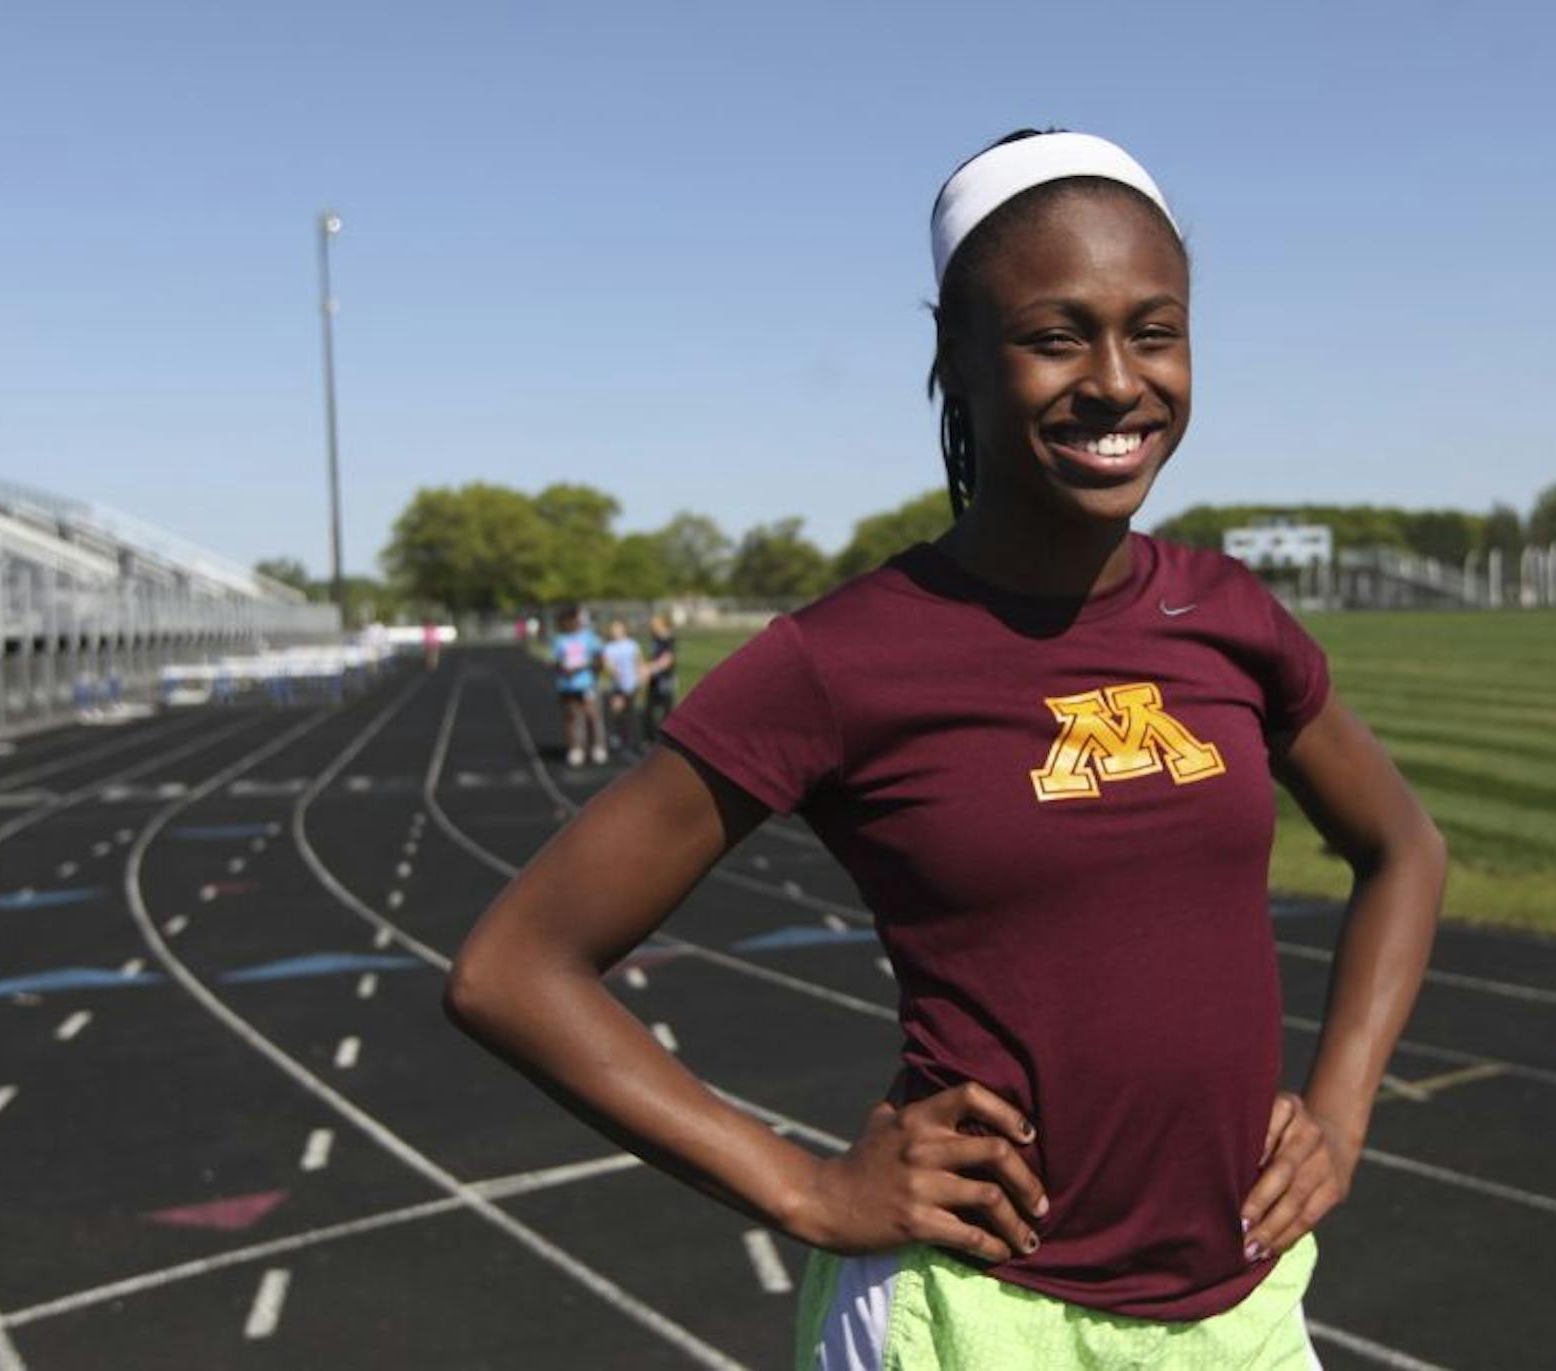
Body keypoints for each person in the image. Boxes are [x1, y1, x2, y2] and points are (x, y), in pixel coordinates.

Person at [448, 130, 1444, 1368]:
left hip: (1239, 1319)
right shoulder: (843, 657)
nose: (1119, 380)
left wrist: (1341, 1116)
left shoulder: (1228, 612)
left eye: (1156, 329)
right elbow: (514, 969)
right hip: (969, 1321)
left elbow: (1403, 846)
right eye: (1054, 335)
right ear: (956, 363)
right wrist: (805, 1190)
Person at [548, 606, 606, 766]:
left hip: (586, 683)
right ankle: (575, 748)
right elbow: (555, 661)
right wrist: (563, 668)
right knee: (571, 717)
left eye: (572, 620)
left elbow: (599, 657)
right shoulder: (560, 640)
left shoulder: (588, 637)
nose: (569, 624)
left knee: (591, 714)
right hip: (567, 685)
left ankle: (596, 746)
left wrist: (590, 669)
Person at [599, 618, 645, 755]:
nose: (616, 632)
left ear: (623, 630)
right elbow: (606, 664)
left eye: (618, 628)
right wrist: (613, 671)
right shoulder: (609, 647)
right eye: (613, 629)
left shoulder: (632, 645)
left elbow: (639, 661)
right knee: (617, 711)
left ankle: (631, 741)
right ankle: (617, 736)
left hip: (631, 683)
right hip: (617, 685)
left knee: (631, 712)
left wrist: (641, 675)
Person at [641, 611, 678, 747]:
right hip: (654, 680)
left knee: (666, 711)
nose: (652, 626)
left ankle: (667, 742)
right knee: (649, 710)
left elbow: (667, 660)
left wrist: (650, 669)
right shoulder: (654, 639)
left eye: (654, 623)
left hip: (665, 681)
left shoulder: (668, 640)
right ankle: (650, 739)